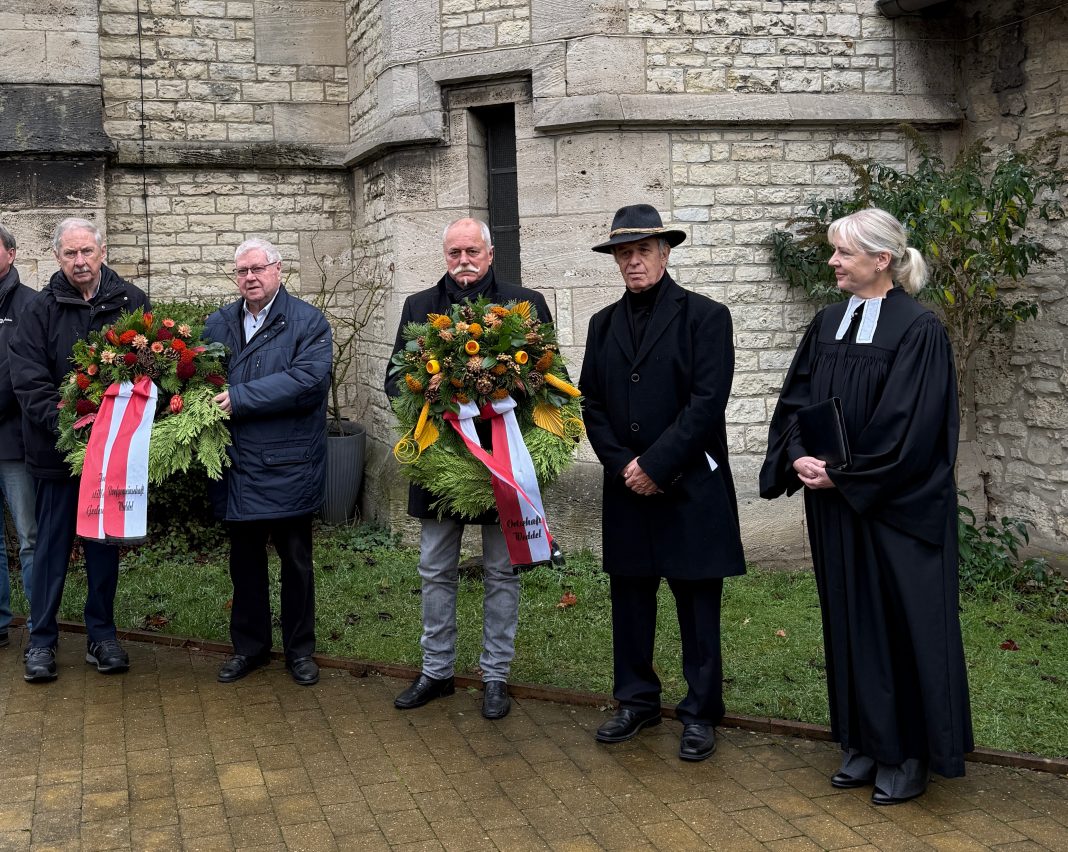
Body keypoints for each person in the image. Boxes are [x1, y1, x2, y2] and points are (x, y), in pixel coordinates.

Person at [760, 208, 973, 805]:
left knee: (899, 626)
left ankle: (907, 753)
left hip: (895, 510)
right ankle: (860, 740)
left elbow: (912, 429)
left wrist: (845, 474)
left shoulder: (919, 330)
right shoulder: (828, 323)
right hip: (836, 507)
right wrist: (799, 455)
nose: (832, 262)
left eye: (843, 253)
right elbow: (797, 400)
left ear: (881, 260)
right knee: (850, 620)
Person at [579, 204, 746, 761]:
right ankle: (636, 700)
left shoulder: (707, 317)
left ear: (665, 253)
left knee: (697, 606)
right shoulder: (602, 324)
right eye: (624, 253)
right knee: (630, 599)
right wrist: (623, 465)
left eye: (642, 250)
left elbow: (706, 404)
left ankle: (700, 712)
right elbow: (592, 402)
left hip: (688, 486)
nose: (633, 261)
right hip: (627, 488)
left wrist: (655, 464)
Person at [385, 217, 552, 720]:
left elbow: (550, 375)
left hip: (502, 459)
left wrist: (500, 391)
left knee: (503, 570)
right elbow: (395, 380)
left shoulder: (526, 304)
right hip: (441, 459)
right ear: (445, 256)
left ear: (490, 253)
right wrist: (437, 397)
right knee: (436, 568)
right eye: (454, 251)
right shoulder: (419, 307)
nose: (463, 260)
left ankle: (495, 676)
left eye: (472, 251)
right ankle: (436, 671)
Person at [11, 218, 150, 682]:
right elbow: (29, 381)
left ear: (102, 250)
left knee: (102, 544)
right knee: (50, 547)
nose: (80, 262)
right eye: (70, 254)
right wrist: (72, 429)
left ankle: (102, 635)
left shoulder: (131, 301)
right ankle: (42, 640)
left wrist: (115, 433)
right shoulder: (39, 309)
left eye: (87, 252)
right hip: (58, 454)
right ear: (57, 257)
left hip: (113, 459)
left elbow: (151, 369)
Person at [205, 238, 332, 687]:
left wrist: (238, 398)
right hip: (237, 465)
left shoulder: (307, 322)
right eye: (241, 271)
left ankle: (300, 651)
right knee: (244, 563)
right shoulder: (217, 323)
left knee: (296, 561)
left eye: (258, 268)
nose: (250, 278)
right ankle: (250, 648)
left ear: (279, 269)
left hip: (288, 463)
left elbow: (307, 382)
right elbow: (202, 377)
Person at [0, 224, 38, 646]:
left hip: (15, 443)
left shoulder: (31, 305)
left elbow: (20, 372)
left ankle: (38, 625)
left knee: (29, 537)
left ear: (11, 253)